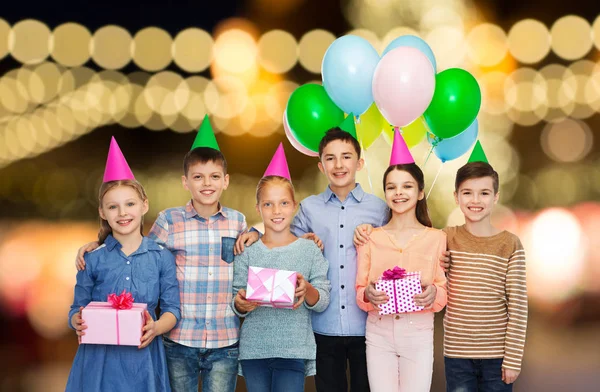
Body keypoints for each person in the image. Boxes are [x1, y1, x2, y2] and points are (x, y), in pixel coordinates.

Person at [74, 117, 250, 392]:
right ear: (185, 182)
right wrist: (98, 244)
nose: (206, 183)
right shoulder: (169, 221)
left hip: (224, 337)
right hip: (179, 339)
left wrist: (259, 235)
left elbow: (255, 252)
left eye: (214, 176)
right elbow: (136, 247)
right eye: (197, 176)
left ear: (226, 181)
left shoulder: (238, 221)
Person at [66, 137, 180, 391]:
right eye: (113, 207)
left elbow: (173, 309)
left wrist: (157, 327)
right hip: (99, 360)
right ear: (102, 213)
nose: (123, 213)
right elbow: (76, 308)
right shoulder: (92, 259)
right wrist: (76, 320)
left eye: (130, 204)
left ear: (144, 205)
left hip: (143, 359)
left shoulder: (161, 257)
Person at [232, 144, 330, 392]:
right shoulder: (248, 250)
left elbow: (322, 299)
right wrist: (240, 303)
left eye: (284, 203)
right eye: (268, 205)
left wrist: (306, 289)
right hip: (255, 349)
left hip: (293, 348)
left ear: (294, 206)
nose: (277, 211)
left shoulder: (309, 250)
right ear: (258, 209)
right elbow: (237, 299)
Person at [355, 130, 447, 392]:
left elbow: (442, 292)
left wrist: (434, 294)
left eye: (407, 186)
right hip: (378, 333)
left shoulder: (436, 238)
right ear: (385, 193)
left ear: (420, 193)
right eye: (391, 187)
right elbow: (360, 290)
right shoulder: (369, 237)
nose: (399, 193)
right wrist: (368, 295)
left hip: (417, 332)